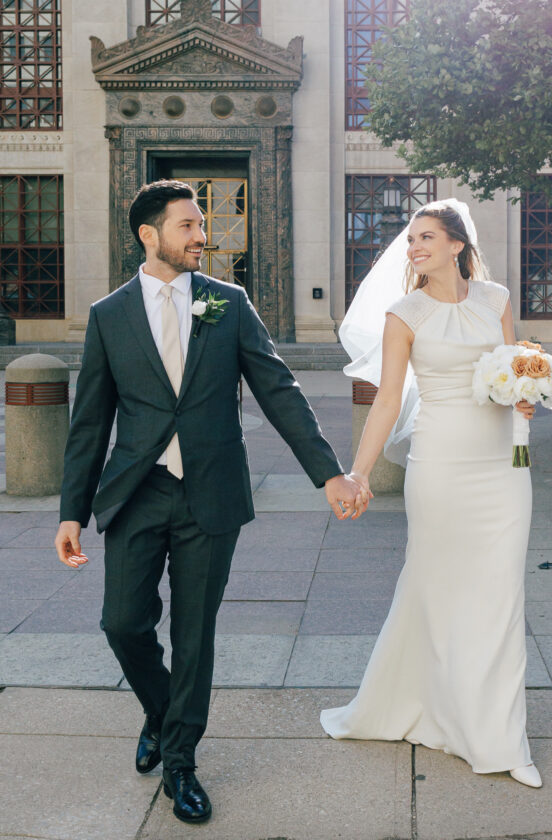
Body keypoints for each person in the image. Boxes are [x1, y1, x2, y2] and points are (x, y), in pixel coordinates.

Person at [54, 180, 365, 824]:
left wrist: (327, 473)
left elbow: (280, 390)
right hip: (137, 493)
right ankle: (162, 713)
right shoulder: (109, 316)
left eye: (202, 224)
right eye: (189, 226)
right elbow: (89, 421)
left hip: (211, 495)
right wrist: (71, 512)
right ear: (150, 235)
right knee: (123, 624)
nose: (203, 235)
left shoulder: (228, 303)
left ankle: (181, 763)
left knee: (195, 633)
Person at [320, 198, 542, 789]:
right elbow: (389, 399)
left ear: (456, 246)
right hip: (440, 465)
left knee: (500, 596)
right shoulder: (405, 313)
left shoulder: (496, 300)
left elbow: (509, 367)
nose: (413, 247)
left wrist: (525, 393)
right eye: (411, 238)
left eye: (425, 237)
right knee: (435, 588)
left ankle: (500, 737)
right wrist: (359, 474)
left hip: (503, 465)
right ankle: (427, 704)